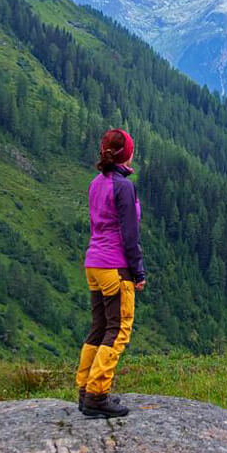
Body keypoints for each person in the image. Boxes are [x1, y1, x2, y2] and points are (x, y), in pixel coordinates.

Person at [75, 128, 146, 418]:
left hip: (94, 262)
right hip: (114, 266)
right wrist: (137, 271)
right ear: (126, 154)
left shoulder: (96, 183)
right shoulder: (124, 187)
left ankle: (84, 389)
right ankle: (97, 394)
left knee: (99, 327)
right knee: (117, 330)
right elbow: (130, 234)